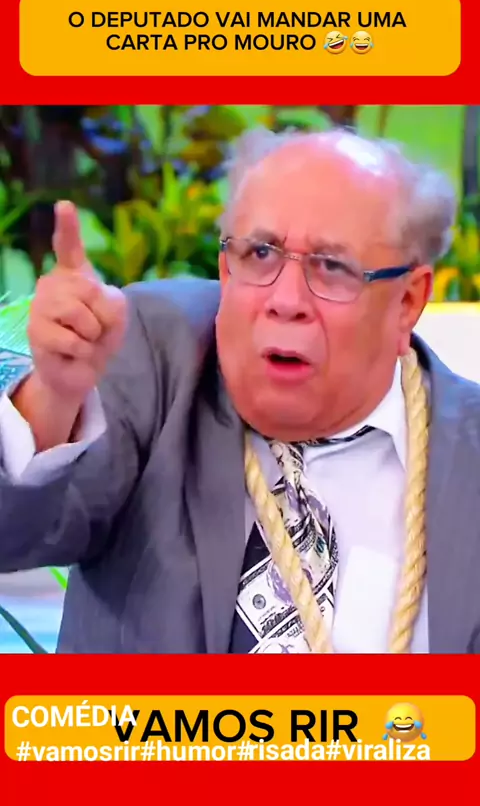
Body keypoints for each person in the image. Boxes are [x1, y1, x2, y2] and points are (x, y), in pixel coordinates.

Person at [1, 126, 480, 655]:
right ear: (226, 271)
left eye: (332, 267)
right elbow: (13, 530)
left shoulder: (467, 458)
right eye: (260, 253)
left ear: (408, 302)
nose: (286, 300)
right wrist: (55, 396)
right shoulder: (156, 354)